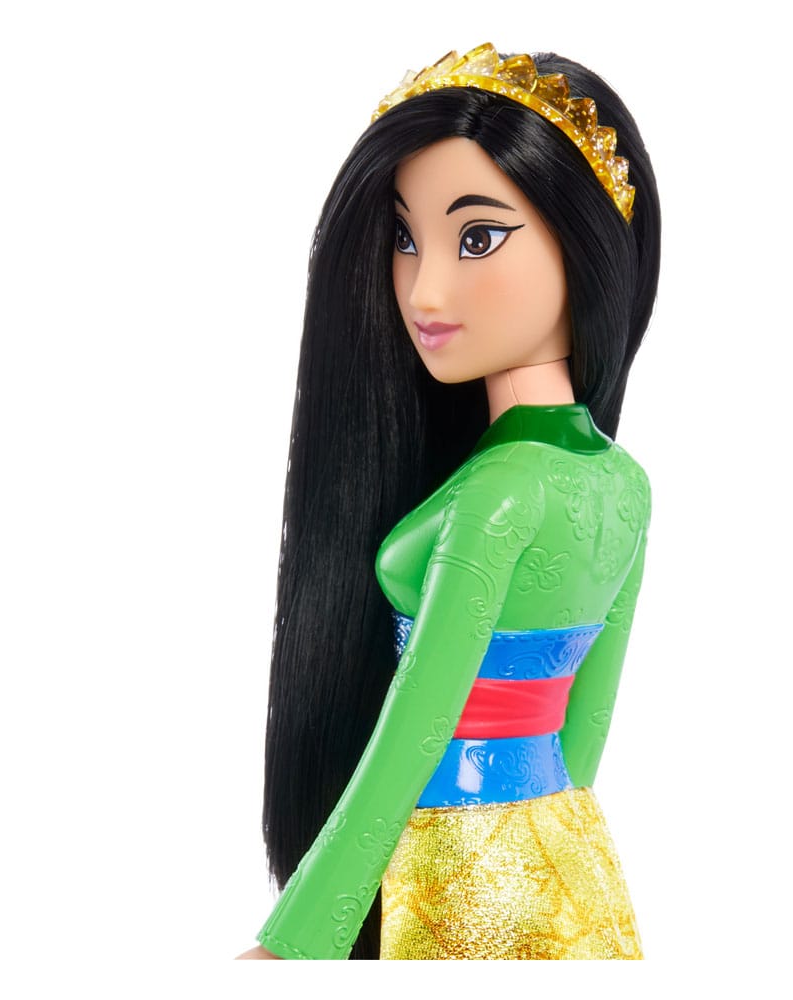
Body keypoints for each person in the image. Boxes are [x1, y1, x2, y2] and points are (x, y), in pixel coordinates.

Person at [238, 43, 661, 960]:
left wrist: (295, 948)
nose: (424, 291)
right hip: (576, 868)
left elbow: (410, 742)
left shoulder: (496, 499)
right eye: (405, 238)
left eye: (477, 238)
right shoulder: (625, 485)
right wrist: (550, 859)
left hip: (460, 881)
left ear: (585, 246)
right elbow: (581, 739)